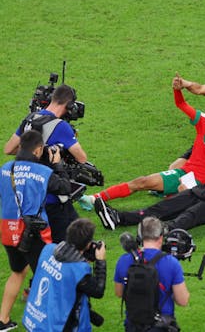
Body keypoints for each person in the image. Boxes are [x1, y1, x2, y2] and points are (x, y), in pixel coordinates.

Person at [84, 75, 205, 205]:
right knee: (143, 181)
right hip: (184, 174)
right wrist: (177, 90)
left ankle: (164, 203)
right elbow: (181, 104)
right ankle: (96, 198)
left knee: (176, 199)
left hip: (204, 187)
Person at [94, 137, 205, 232]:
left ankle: (158, 233)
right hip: (200, 191)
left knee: (188, 216)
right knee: (160, 208)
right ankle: (119, 218)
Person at [1, 130, 70, 331]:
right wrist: (58, 164)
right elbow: (64, 187)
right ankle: (49, 323)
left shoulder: (5, 169)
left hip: (8, 230)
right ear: (39, 150)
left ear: (20, 147)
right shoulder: (43, 173)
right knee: (47, 276)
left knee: (18, 271)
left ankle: (3, 320)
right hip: (34, 232)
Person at [4, 85, 89, 242]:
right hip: (52, 196)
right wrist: (52, 153)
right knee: (62, 244)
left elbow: (9, 149)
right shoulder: (61, 126)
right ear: (69, 105)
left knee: (79, 232)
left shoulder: (30, 118)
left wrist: (38, 151)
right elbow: (82, 158)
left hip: (31, 193)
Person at [22, 218, 106, 332]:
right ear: (87, 244)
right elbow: (98, 290)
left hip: (36, 319)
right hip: (58, 326)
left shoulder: (48, 250)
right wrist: (100, 261)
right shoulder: (78, 271)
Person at [114, 217, 189, 331]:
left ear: (139, 237)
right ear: (161, 237)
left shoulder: (123, 260)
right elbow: (183, 301)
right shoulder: (171, 263)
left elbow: (119, 293)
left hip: (133, 324)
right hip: (161, 325)